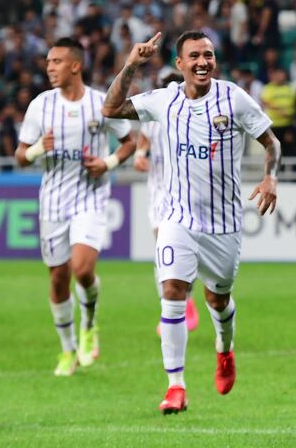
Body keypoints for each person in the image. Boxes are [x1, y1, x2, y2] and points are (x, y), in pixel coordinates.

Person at [102, 30, 281, 415]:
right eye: (194, 56)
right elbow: (110, 110)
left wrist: (271, 177)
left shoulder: (233, 98)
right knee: (172, 291)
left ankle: (224, 350)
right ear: (179, 64)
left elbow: (271, 142)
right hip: (177, 218)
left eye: (209, 55)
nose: (203, 62)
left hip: (224, 224)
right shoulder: (164, 100)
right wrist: (132, 64)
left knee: (218, 299)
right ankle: (175, 386)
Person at [15, 37, 136, 376]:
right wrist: (39, 149)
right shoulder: (41, 105)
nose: (49, 67)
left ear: (75, 65)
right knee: (58, 279)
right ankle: (67, 349)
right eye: (48, 62)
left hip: (91, 197)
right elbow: (20, 156)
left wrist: (108, 163)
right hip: (53, 201)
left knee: (82, 270)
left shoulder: (101, 103)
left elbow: (130, 143)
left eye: (56, 61)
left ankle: (90, 325)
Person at [133, 66, 199, 335]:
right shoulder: (154, 114)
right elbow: (144, 140)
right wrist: (139, 154)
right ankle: (171, 307)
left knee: (184, 253)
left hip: (185, 192)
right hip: (158, 191)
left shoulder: (192, 116)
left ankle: (184, 299)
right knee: (164, 251)